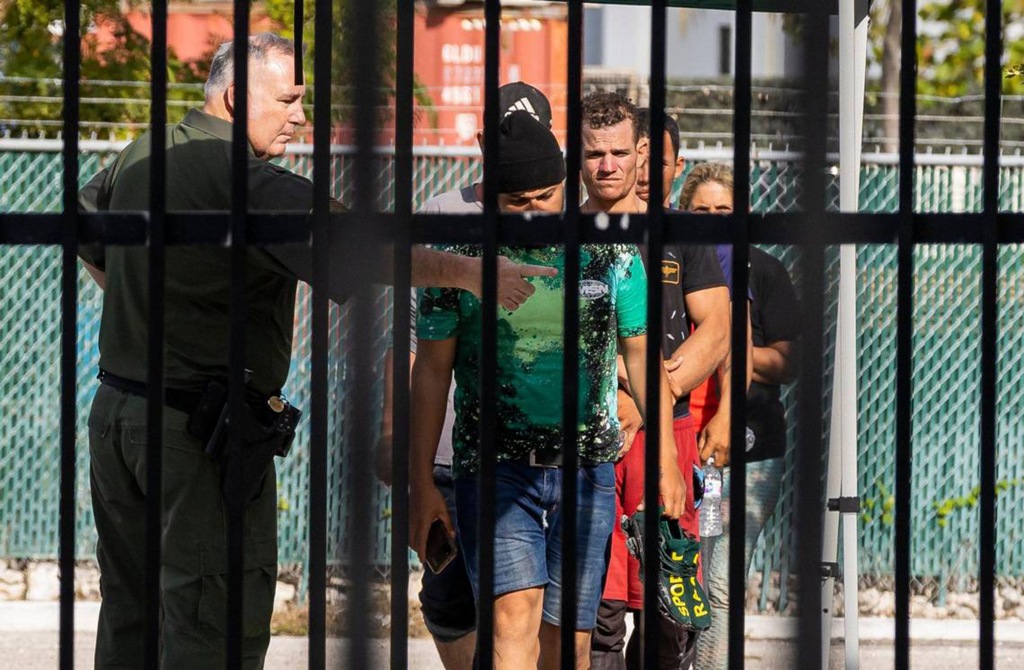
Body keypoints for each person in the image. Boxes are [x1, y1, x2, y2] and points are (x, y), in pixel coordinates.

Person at [76, 34, 553, 669]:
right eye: (289, 100)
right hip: (192, 435)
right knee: (212, 617)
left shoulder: (148, 149)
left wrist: (146, 314)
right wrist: (469, 273)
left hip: (119, 415)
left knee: (132, 610)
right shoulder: (247, 182)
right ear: (237, 97)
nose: (301, 116)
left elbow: (84, 228)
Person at [409, 111, 686, 670]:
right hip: (494, 467)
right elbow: (432, 371)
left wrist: (667, 462)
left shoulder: (610, 254)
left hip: (587, 469)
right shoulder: (459, 263)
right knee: (514, 622)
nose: (535, 210)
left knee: (569, 645)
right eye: (518, 202)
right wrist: (419, 480)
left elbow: (641, 358)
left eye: (547, 196)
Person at [376, 81, 556, 670]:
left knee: (524, 607)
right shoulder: (442, 216)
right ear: (481, 142)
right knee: (448, 591)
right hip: (451, 450)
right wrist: (395, 439)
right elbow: (407, 345)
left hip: (539, 454)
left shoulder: (563, 213)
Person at [582, 99, 730, 670]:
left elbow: (715, 332)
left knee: (669, 605)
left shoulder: (685, 235)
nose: (637, 167)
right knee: (599, 608)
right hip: (594, 434)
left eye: (648, 156)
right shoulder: (582, 230)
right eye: (620, 153)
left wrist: (648, 404)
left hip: (669, 435)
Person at [680, 163, 798, 670]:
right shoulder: (671, 266)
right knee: (685, 577)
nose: (711, 219)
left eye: (722, 210)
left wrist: (740, 354)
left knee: (723, 578)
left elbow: (789, 360)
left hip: (749, 450)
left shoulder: (763, 270)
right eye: (700, 210)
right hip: (683, 442)